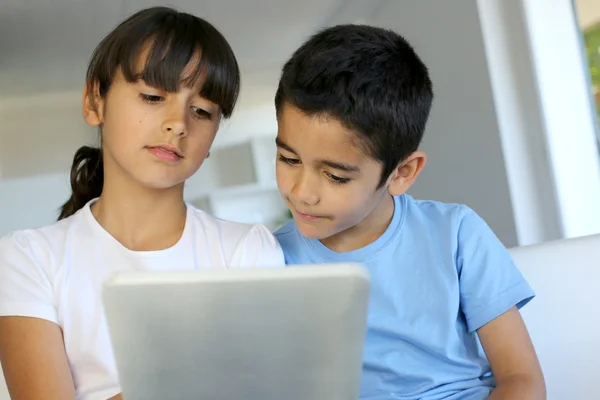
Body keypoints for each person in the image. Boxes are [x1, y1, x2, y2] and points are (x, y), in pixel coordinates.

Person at [0, 7, 283, 400]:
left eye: (202, 111)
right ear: (94, 101)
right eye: (152, 96)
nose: (179, 122)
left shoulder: (248, 250)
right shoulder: (28, 257)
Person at [273, 24, 546, 399]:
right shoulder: (267, 259)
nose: (301, 193)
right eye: (288, 158)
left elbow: (521, 379)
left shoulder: (457, 234)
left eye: (335, 176)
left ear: (402, 173)